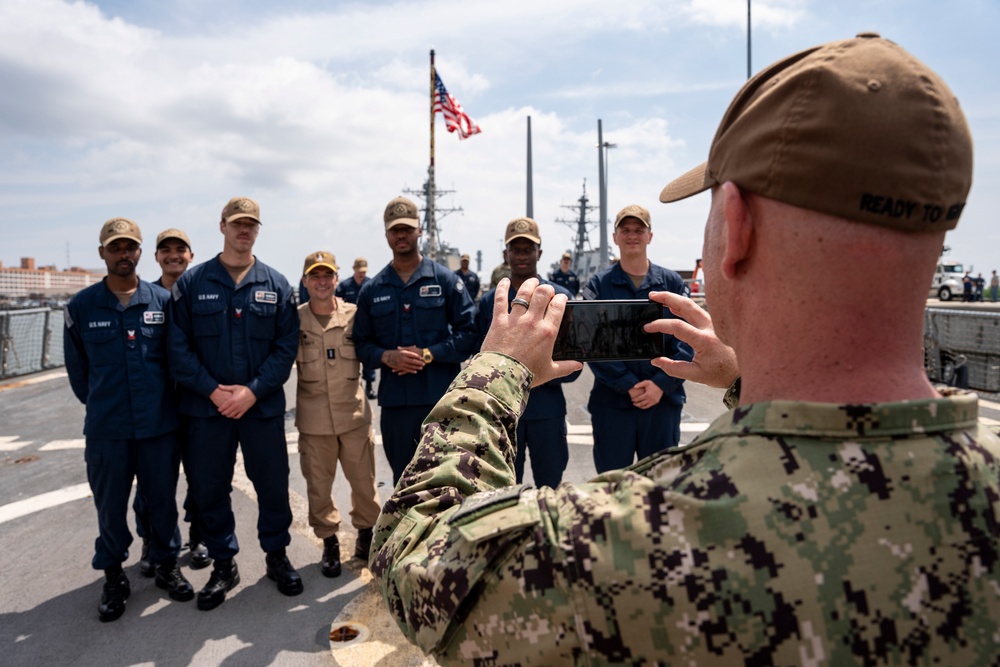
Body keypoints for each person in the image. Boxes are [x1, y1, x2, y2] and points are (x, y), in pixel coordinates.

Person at [369, 33, 1000, 665]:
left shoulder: (619, 544)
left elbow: (414, 555)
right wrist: (747, 379)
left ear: (736, 226)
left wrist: (497, 370)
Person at [167, 196, 302, 611]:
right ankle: (224, 564)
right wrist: (212, 390)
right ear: (222, 226)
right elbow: (178, 347)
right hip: (207, 411)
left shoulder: (276, 284)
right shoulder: (193, 283)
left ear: (257, 230)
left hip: (259, 409)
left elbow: (285, 347)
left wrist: (252, 390)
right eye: (237, 223)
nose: (244, 230)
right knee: (209, 488)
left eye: (252, 224)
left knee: (273, 485)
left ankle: (276, 556)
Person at [64, 217, 191, 622]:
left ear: (140, 253)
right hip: (108, 430)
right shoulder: (81, 307)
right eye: (115, 247)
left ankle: (167, 564)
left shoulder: (162, 302)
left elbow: (176, 362)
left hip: (158, 426)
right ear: (102, 252)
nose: (124, 254)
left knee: (162, 503)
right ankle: (114, 575)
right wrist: (107, 406)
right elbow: (79, 374)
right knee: (111, 507)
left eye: (130, 247)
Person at [352, 196, 477, 483]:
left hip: (442, 402)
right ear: (386, 235)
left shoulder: (445, 281)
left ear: (419, 230)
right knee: (404, 481)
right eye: (395, 230)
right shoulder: (372, 290)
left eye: (407, 229)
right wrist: (386, 356)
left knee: (448, 479)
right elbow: (361, 343)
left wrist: (429, 354)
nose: (401, 235)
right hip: (397, 404)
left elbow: (469, 334)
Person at [582, 204, 693, 472]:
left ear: (650, 236)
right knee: (611, 488)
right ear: (615, 237)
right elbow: (591, 342)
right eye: (626, 230)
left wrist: (660, 384)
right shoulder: (599, 285)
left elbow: (688, 340)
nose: (632, 235)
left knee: (659, 489)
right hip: (613, 403)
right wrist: (628, 384)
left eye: (639, 230)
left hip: (662, 403)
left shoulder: (672, 283)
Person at [475, 218, 579, 488]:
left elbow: (573, 363)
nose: (522, 255)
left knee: (551, 486)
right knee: (503, 491)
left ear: (539, 254)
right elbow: (479, 358)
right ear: (505, 254)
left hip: (547, 410)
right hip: (502, 413)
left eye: (528, 249)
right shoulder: (491, 303)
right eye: (516, 249)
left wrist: (532, 375)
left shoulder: (560, 298)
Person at [296, 251, 381, 574]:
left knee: (364, 483)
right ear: (305, 282)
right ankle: (329, 541)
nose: (321, 281)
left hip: (354, 417)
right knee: (318, 487)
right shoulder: (294, 320)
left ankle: (365, 535)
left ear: (336, 278)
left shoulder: (355, 315)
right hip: (314, 420)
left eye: (327, 275)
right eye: (314, 276)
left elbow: (373, 349)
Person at [133, 228, 211, 576]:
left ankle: (199, 535)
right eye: (166, 250)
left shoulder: (202, 293)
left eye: (181, 249)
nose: (173, 255)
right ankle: (152, 540)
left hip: (195, 401)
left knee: (201, 473)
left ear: (191, 255)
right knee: (150, 480)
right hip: (157, 405)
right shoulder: (143, 297)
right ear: (156, 257)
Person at [335, 257, 376, 399]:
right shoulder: (345, 286)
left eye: (364, 272)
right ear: (354, 269)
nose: (361, 274)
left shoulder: (371, 285)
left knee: (369, 358)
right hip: (349, 328)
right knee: (348, 358)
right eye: (359, 271)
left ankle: (369, 386)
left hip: (367, 327)